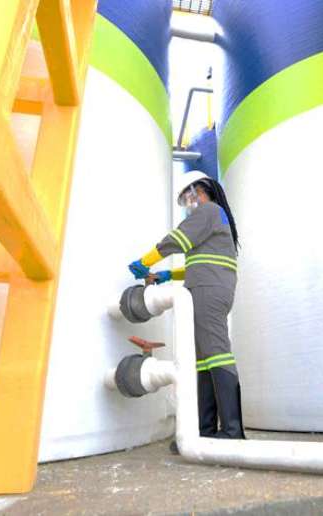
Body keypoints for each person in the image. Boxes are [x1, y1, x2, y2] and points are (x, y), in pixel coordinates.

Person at [128, 171, 245, 451]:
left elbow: (178, 239)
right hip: (208, 286)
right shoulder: (216, 217)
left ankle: (232, 431)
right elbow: (201, 259)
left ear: (199, 189)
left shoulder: (208, 210)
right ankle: (205, 430)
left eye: (187, 196)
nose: (187, 203)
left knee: (216, 352)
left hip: (208, 288)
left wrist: (146, 261)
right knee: (205, 358)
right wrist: (168, 275)